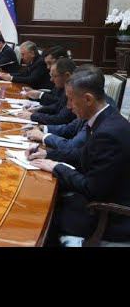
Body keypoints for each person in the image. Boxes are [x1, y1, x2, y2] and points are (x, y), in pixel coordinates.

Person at [27, 65, 130, 245]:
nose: (68, 106)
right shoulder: (106, 118)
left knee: (42, 220)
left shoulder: (108, 133)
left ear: (88, 99)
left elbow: (91, 188)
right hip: (101, 196)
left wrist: (56, 167)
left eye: (71, 99)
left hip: (110, 217)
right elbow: (82, 154)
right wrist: (48, 154)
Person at [16, 57, 77, 125]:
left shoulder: (75, 91)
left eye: (54, 76)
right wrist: (37, 111)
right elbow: (57, 106)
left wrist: (33, 116)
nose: (51, 79)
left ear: (67, 76)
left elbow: (61, 119)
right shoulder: (65, 86)